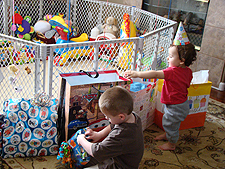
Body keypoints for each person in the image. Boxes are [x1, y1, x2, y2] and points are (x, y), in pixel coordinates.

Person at [124, 43, 197, 151]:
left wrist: (137, 74)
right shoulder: (188, 71)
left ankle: (171, 144)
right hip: (181, 103)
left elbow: (156, 74)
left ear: (181, 60)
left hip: (176, 106)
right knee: (170, 123)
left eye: (171, 56)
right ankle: (168, 135)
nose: (168, 58)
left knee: (170, 125)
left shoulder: (172, 71)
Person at [77, 86, 144, 169]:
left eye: (108, 117)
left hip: (119, 166)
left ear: (121, 116)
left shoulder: (120, 135)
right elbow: (113, 125)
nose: (106, 118)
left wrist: (81, 139)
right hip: (124, 158)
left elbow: (96, 152)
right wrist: (99, 134)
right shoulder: (133, 116)